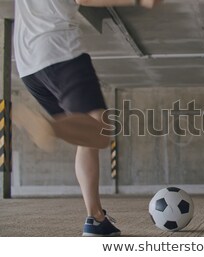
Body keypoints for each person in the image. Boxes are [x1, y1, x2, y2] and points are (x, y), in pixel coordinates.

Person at [13, 0, 162, 236]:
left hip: (28, 65)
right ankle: (50, 128)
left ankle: (96, 219)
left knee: (87, 136)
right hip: (58, 50)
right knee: (99, 132)